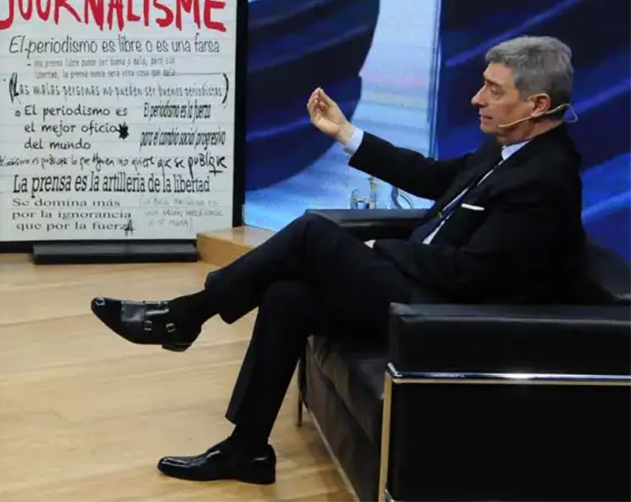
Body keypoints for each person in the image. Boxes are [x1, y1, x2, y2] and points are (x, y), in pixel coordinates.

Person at [91, 35, 584, 485]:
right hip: (422, 287)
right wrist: (346, 133)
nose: (477, 98)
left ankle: (185, 315)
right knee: (287, 296)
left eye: (493, 90)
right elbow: (433, 177)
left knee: (313, 233)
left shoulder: (545, 179)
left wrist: (383, 249)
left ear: (537, 104)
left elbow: (474, 275)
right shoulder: (506, 149)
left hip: (444, 315)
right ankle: (247, 449)